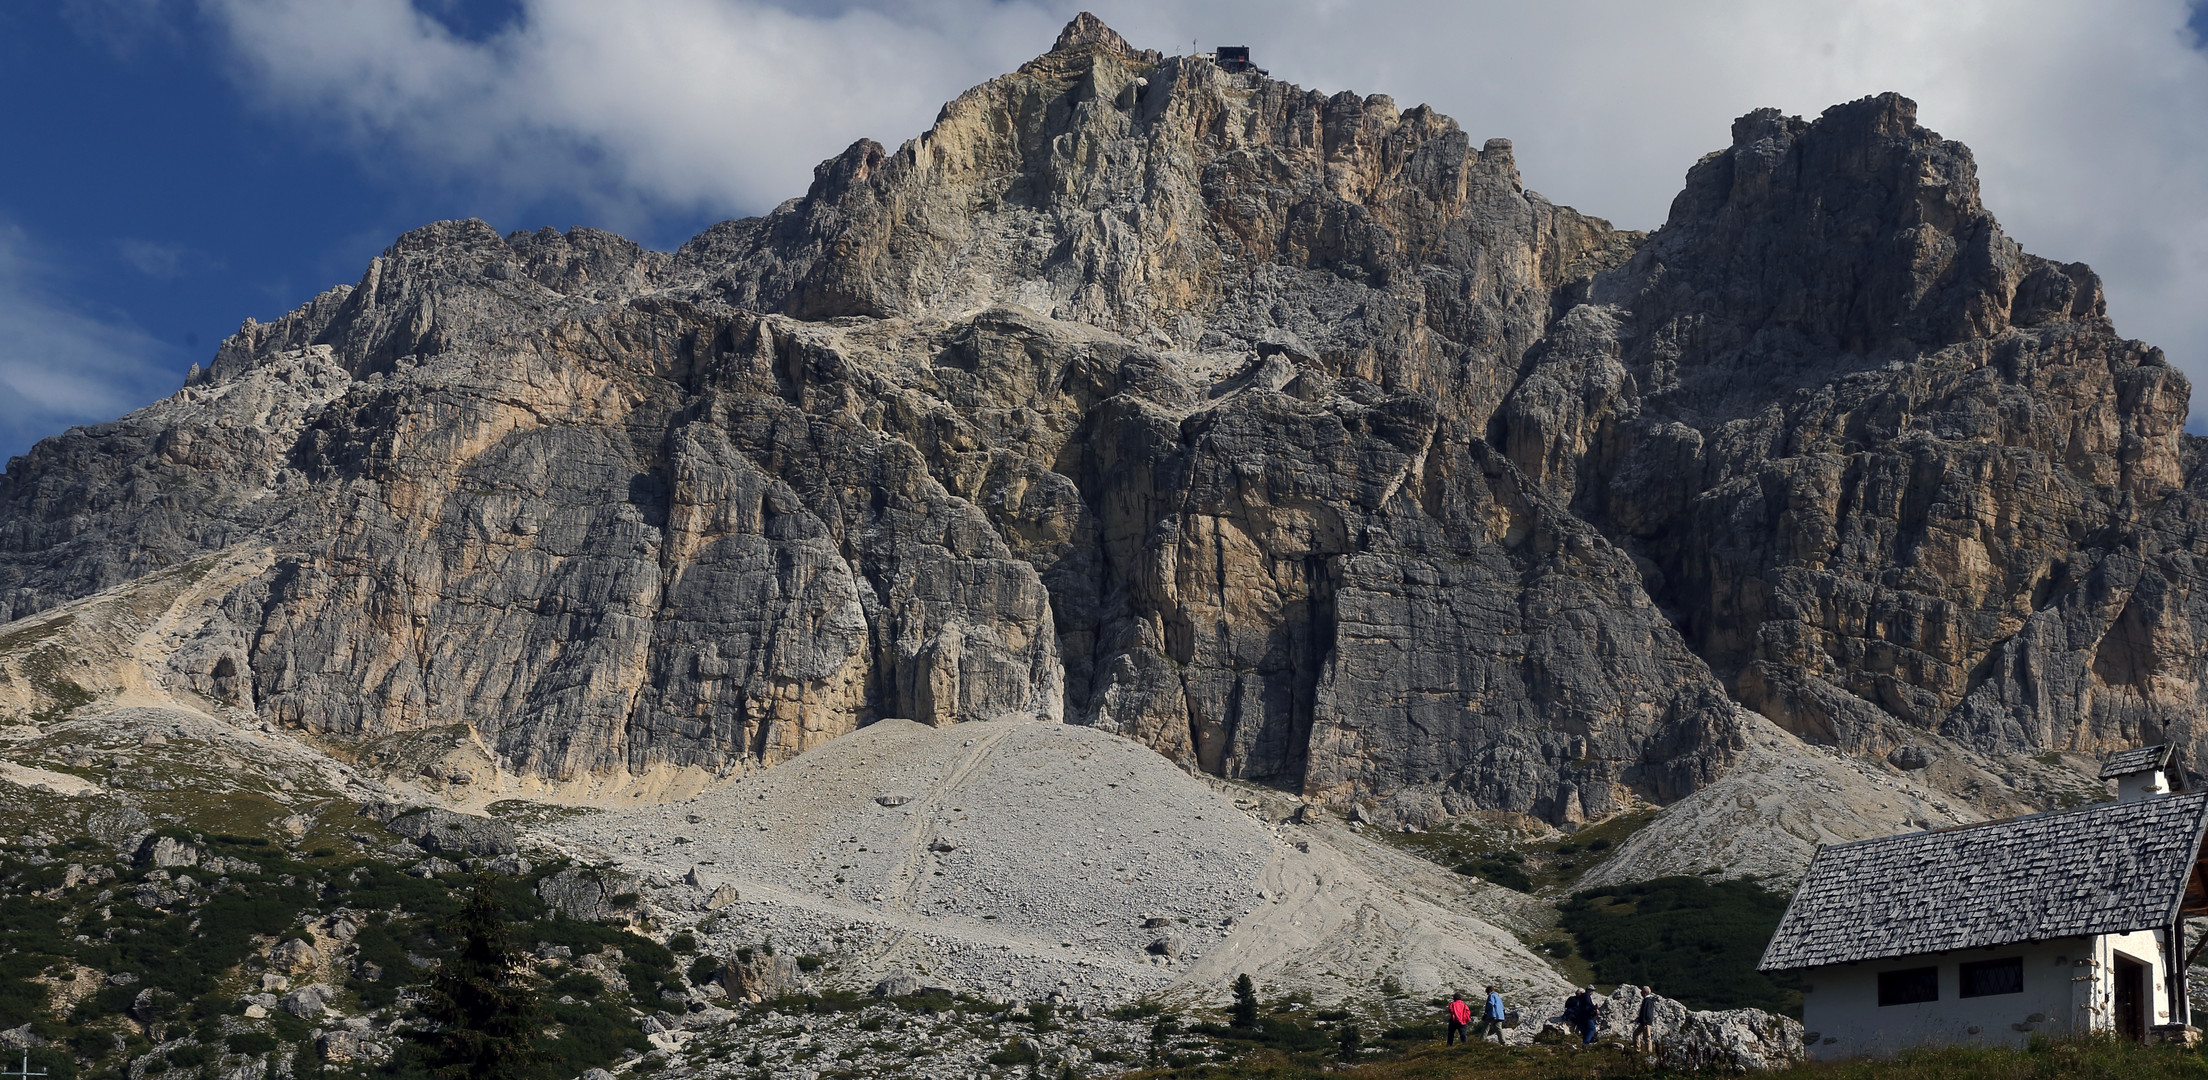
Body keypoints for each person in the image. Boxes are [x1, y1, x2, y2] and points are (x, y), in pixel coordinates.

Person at [1634, 986, 1661, 1053]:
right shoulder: (1648, 1000)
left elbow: (1647, 1013)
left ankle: (1648, 1052)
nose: (1640, 992)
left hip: (1645, 1023)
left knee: (1647, 1037)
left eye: (1642, 991)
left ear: (1645, 993)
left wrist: (1645, 1022)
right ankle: (1638, 1050)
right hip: (1644, 1022)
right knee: (1636, 1034)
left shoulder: (1648, 1001)